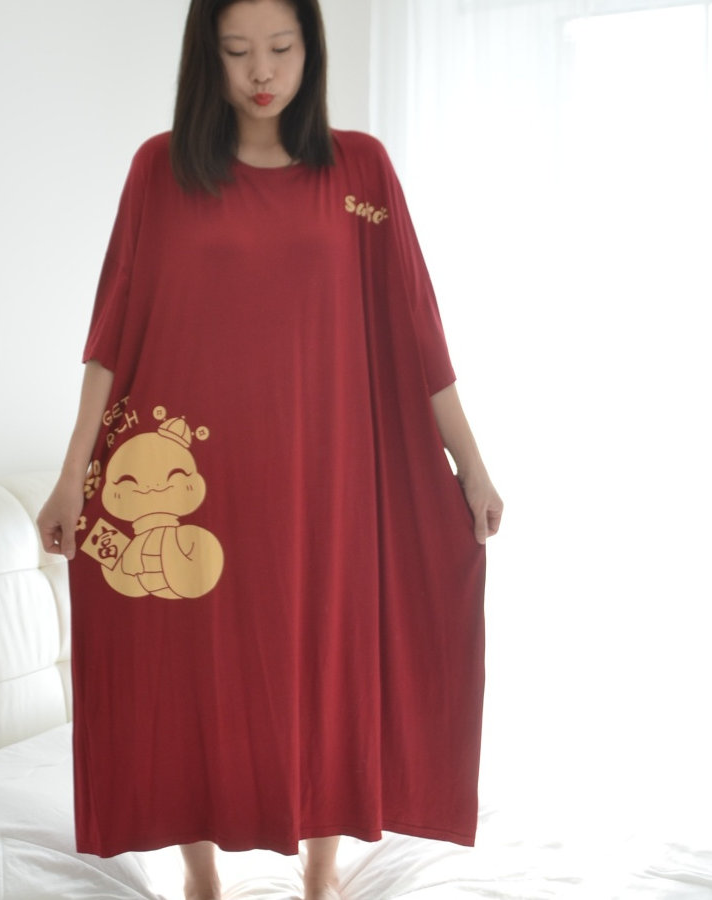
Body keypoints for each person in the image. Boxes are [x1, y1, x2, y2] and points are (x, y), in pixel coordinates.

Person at [37, 1, 503, 898]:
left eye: (282, 48)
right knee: (185, 666)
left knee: (322, 661)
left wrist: (472, 467)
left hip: (325, 481)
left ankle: (321, 872)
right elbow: (112, 336)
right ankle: (199, 875)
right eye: (239, 50)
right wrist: (69, 480)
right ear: (205, 58)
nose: (262, 72)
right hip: (199, 482)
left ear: (310, 51)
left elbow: (418, 333)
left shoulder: (360, 169)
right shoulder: (159, 171)